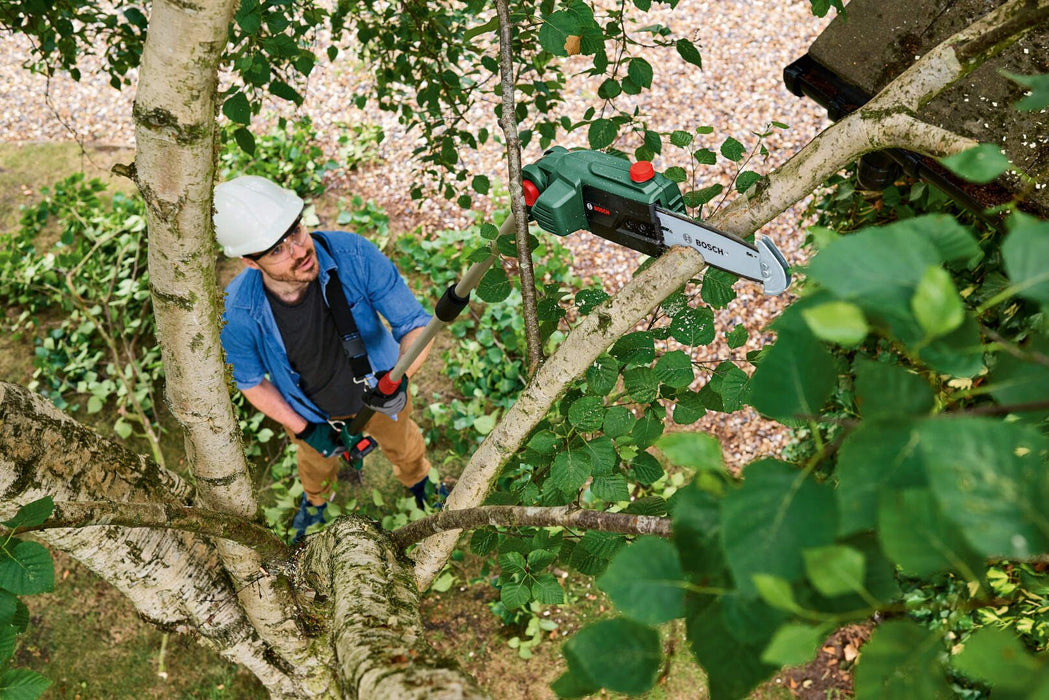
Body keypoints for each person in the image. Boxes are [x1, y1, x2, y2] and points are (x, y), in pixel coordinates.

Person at [214, 175, 441, 542]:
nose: (299, 250)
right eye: (276, 250)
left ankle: (419, 482)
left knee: (405, 445)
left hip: (383, 394)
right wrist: (305, 429)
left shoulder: (354, 255)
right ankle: (318, 501)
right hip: (310, 412)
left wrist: (401, 378)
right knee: (315, 466)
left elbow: (416, 325)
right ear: (250, 262)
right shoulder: (236, 311)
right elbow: (251, 381)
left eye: (296, 232)